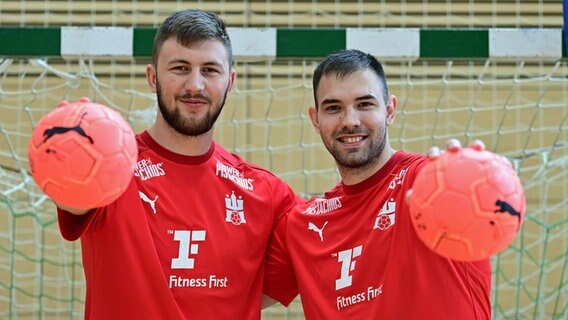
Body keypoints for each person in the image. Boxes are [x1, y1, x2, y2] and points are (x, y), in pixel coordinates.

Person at [56, 9, 301, 320]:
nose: (195, 85)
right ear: (152, 77)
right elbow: (71, 197)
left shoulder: (267, 194)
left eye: (210, 70)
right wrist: (64, 146)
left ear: (230, 81)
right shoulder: (109, 168)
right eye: (180, 68)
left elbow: (334, 243)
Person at [262, 49, 492, 319]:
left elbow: (482, 208)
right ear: (315, 119)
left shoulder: (429, 182)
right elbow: (228, 295)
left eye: (365, 104)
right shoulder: (301, 226)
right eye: (334, 108)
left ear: (390, 110)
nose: (350, 121)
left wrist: (472, 176)